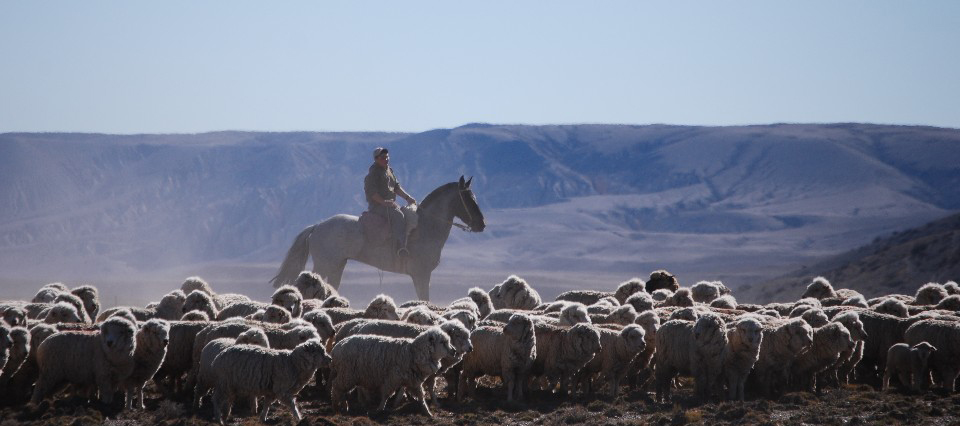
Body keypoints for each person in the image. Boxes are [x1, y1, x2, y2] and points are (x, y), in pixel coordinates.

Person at [364, 147, 417, 256]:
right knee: (398, 216)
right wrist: (384, 202)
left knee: (410, 213)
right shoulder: (374, 173)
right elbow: (371, 192)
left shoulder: (389, 170)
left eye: (387, 157)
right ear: (376, 159)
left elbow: (396, 187)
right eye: (383, 157)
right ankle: (401, 247)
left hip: (389, 204)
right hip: (377, 206)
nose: (386, 159)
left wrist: (408, 198)